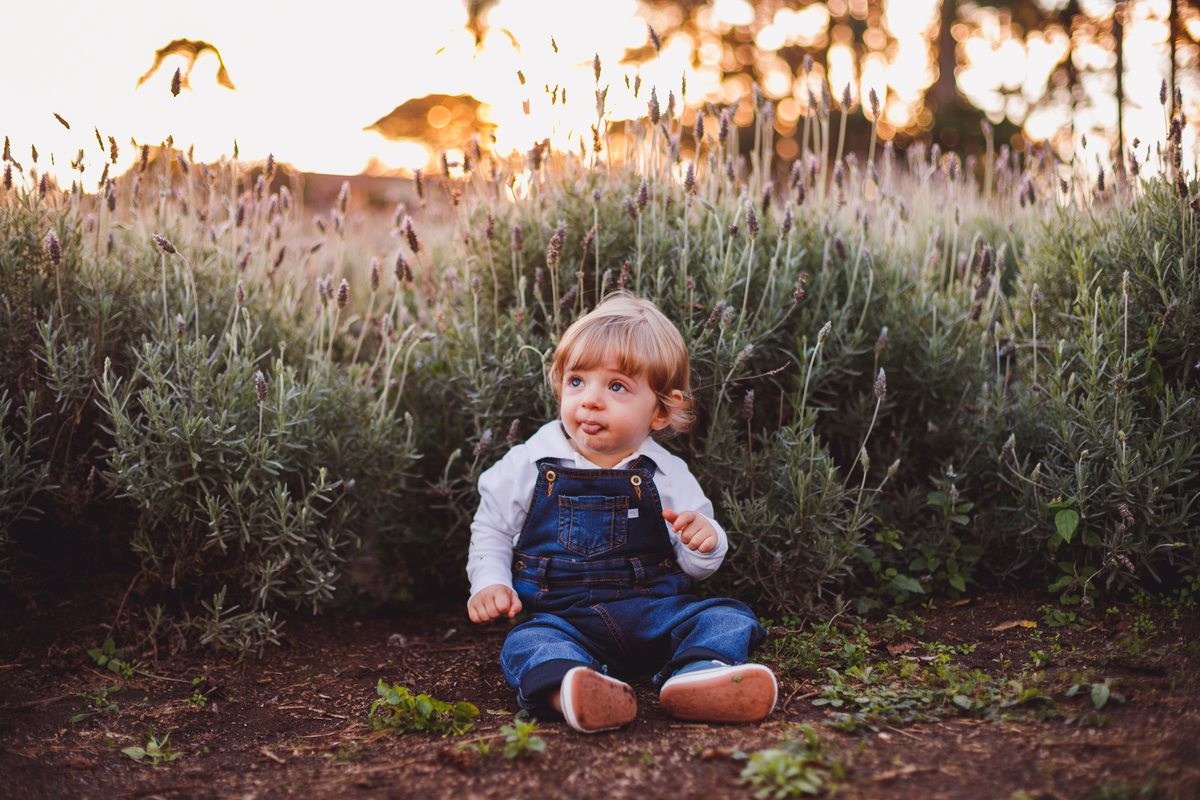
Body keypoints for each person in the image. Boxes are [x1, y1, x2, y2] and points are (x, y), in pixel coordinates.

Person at [466, 292, 776, 733]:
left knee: (726, 615)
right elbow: (493, 526)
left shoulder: (667, 473)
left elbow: (697, 564)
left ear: (661, 411)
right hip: (565, 620)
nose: (590, 400)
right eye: (577, 381)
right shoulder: (529, 462)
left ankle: (698, 676)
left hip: (655, 614)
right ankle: (573, 689)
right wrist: (490, 581)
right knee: (528, 641)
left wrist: (704, 541)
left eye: (616, 387)